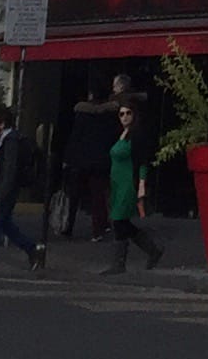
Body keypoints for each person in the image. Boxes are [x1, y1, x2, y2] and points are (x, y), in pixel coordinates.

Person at [98, 99, 165, 272]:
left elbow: (142, 161)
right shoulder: (120, 134)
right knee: (121, 221)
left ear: (134, 115)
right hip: (116, 183)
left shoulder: (136, 136)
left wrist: (141, 184)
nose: (125, 117)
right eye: (122, 114)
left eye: (128, 113)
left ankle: (119, 263)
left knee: (119, 220)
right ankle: (152, 250)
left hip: (128, 183)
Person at [0, 108, 46, 276]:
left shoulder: (10, 142)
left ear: (2, 124)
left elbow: (9, 171)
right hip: (6, 189)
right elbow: (0, 168)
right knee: (6, 226)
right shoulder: (7, 139)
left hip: (5, 191)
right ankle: (32, 249)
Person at [55, 85, 119, 239]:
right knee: (98, 196)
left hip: (80, 160)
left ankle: (67, 226)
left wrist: (67, 159)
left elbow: (75, 138)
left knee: (73, 195)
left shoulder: (82, 114)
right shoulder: (110, 115)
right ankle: (98, 230)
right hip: (101, 161)